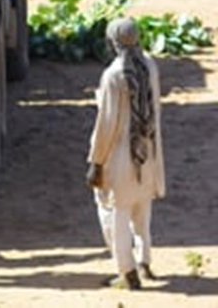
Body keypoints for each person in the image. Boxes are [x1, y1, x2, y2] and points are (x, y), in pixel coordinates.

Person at [87, 18, 165, 291]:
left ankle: (127, 272)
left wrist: (96, 162)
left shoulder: (114, 75)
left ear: (114, 43)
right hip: (148, 153)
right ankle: (144, 261)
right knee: (142, 211)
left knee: (116, 214)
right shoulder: (150, 66)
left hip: (122, 157)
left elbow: (106, 123)